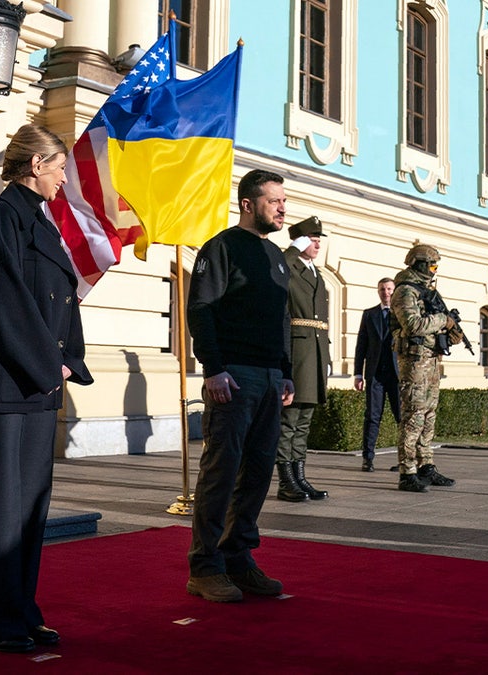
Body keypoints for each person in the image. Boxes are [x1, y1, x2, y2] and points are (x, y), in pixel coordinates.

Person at [0, 124, 94, 653]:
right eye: (59, 167)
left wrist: (68, 360)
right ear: (36, 165)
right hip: (7, 381)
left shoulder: (40, 220)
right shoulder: (2, 216)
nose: (64, 178)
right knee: (2, 507)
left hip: (36, 381)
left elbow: (63, 298)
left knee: (30, 507)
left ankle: (21, 612)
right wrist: (51, 364)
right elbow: (3, 299)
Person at [185, 168, 296, 603]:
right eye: (274, 201)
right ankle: (205, 568)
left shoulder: (277, 257)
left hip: (269, 379)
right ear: (248, 204)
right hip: (233, 377)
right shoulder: (222, 247)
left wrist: (285, 370)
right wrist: (213, 368)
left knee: (258, 474)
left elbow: (281, 319)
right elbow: (201, 309)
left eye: (284, 201)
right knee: (221, 473)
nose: (283, 208)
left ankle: (238, 559)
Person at [390, 244, 457, 493]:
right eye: (432, 266)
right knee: (414, 416)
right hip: (414, 362)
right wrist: (443, 321)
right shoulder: (405, 291)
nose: (434, 270)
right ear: (419, 264)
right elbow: (412, 324)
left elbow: (437, 322)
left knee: (429, 415)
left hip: (431, 359)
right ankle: (407, 472)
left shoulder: (427, 291)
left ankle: (425, 465)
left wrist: (451, 330)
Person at [275, 216, 331, 502]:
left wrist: (326, 357)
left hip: (315, 354)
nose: (317, 244)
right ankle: (286, 482)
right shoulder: (290, 266)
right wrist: (292, 250)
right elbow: (277, 270)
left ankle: (299, 477)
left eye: (319, 240)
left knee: (304, 421)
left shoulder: (315, 272)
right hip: (297, 354)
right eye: (312, 239)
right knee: (289, 420)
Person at [353, 277, 401, 472]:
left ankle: (405, 460)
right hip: (375, 375)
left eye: (389, 289)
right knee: (372, 417)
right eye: (382, 289)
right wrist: (358, 373)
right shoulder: (369, 314)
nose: (386, 292)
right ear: (378, 291)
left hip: (397, 376)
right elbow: (361, 345)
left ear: (394, 291)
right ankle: (368, 459)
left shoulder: (402, 314)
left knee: (402, 417)